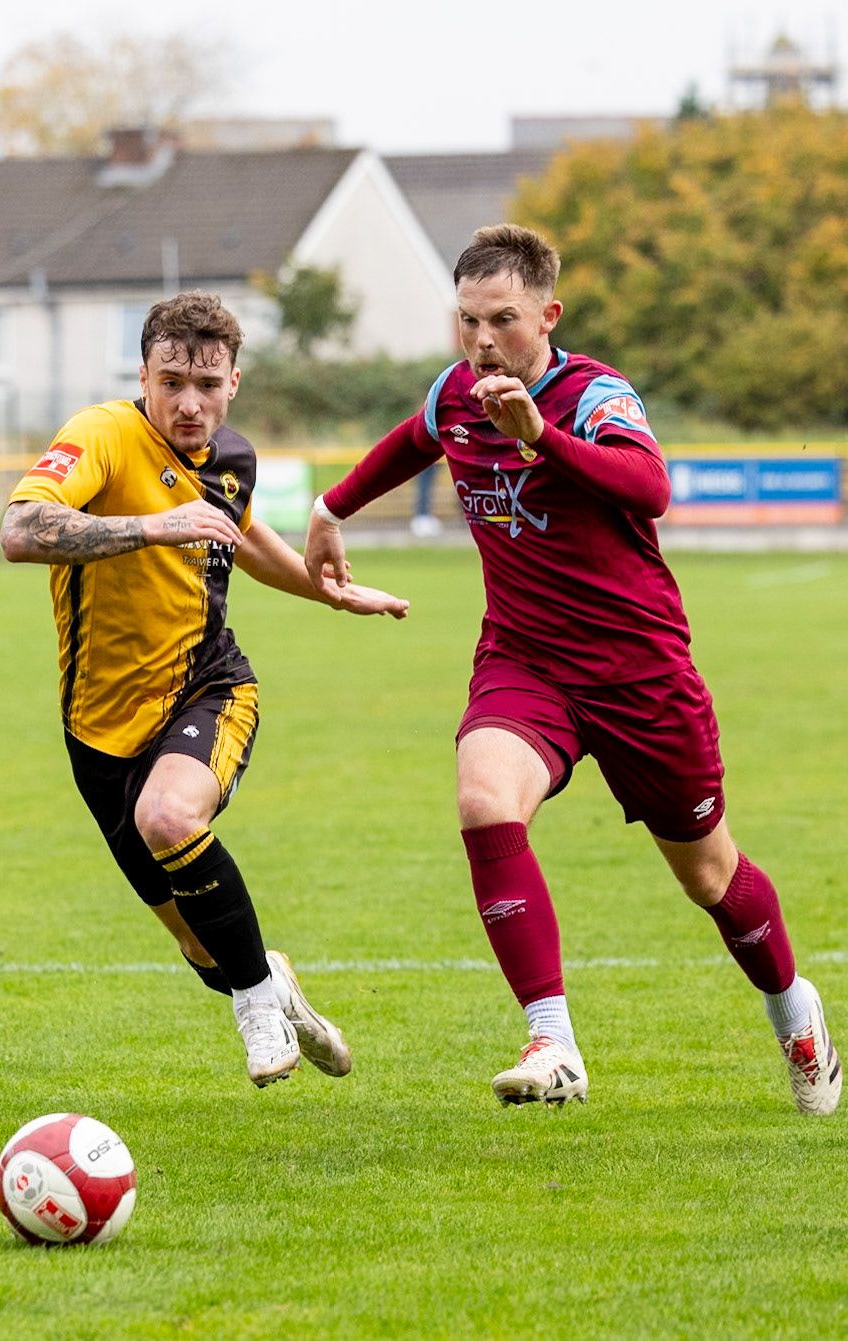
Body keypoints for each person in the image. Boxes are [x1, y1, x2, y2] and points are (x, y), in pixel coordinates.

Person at [304, 223, 841, 1116]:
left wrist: (541, 435)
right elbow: (416, 434)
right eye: (468, 320)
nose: (482, 342)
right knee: (483, 798)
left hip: (640, 673)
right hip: (526, 660)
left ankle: (795, 1007)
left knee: (709, 875)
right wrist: (331, 506)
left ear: (548, 315)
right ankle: (553, 1039)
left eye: (503, 320)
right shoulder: (458, 392)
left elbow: (649, 487)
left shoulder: (594, 395)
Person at [0, 291, 409, 1091]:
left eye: (209, 384)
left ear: (234, 382)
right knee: (200, 945)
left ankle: (256, 1003)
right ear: (144, 375)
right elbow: (21, 531)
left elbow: (243, 536)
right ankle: (270, 978)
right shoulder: (101, 436)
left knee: (168, 817)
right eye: (173, 381)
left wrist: (327, 590)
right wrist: (154, 525)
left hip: (208, 687)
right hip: (97, 730)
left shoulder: (232, 458)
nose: (191, 403)